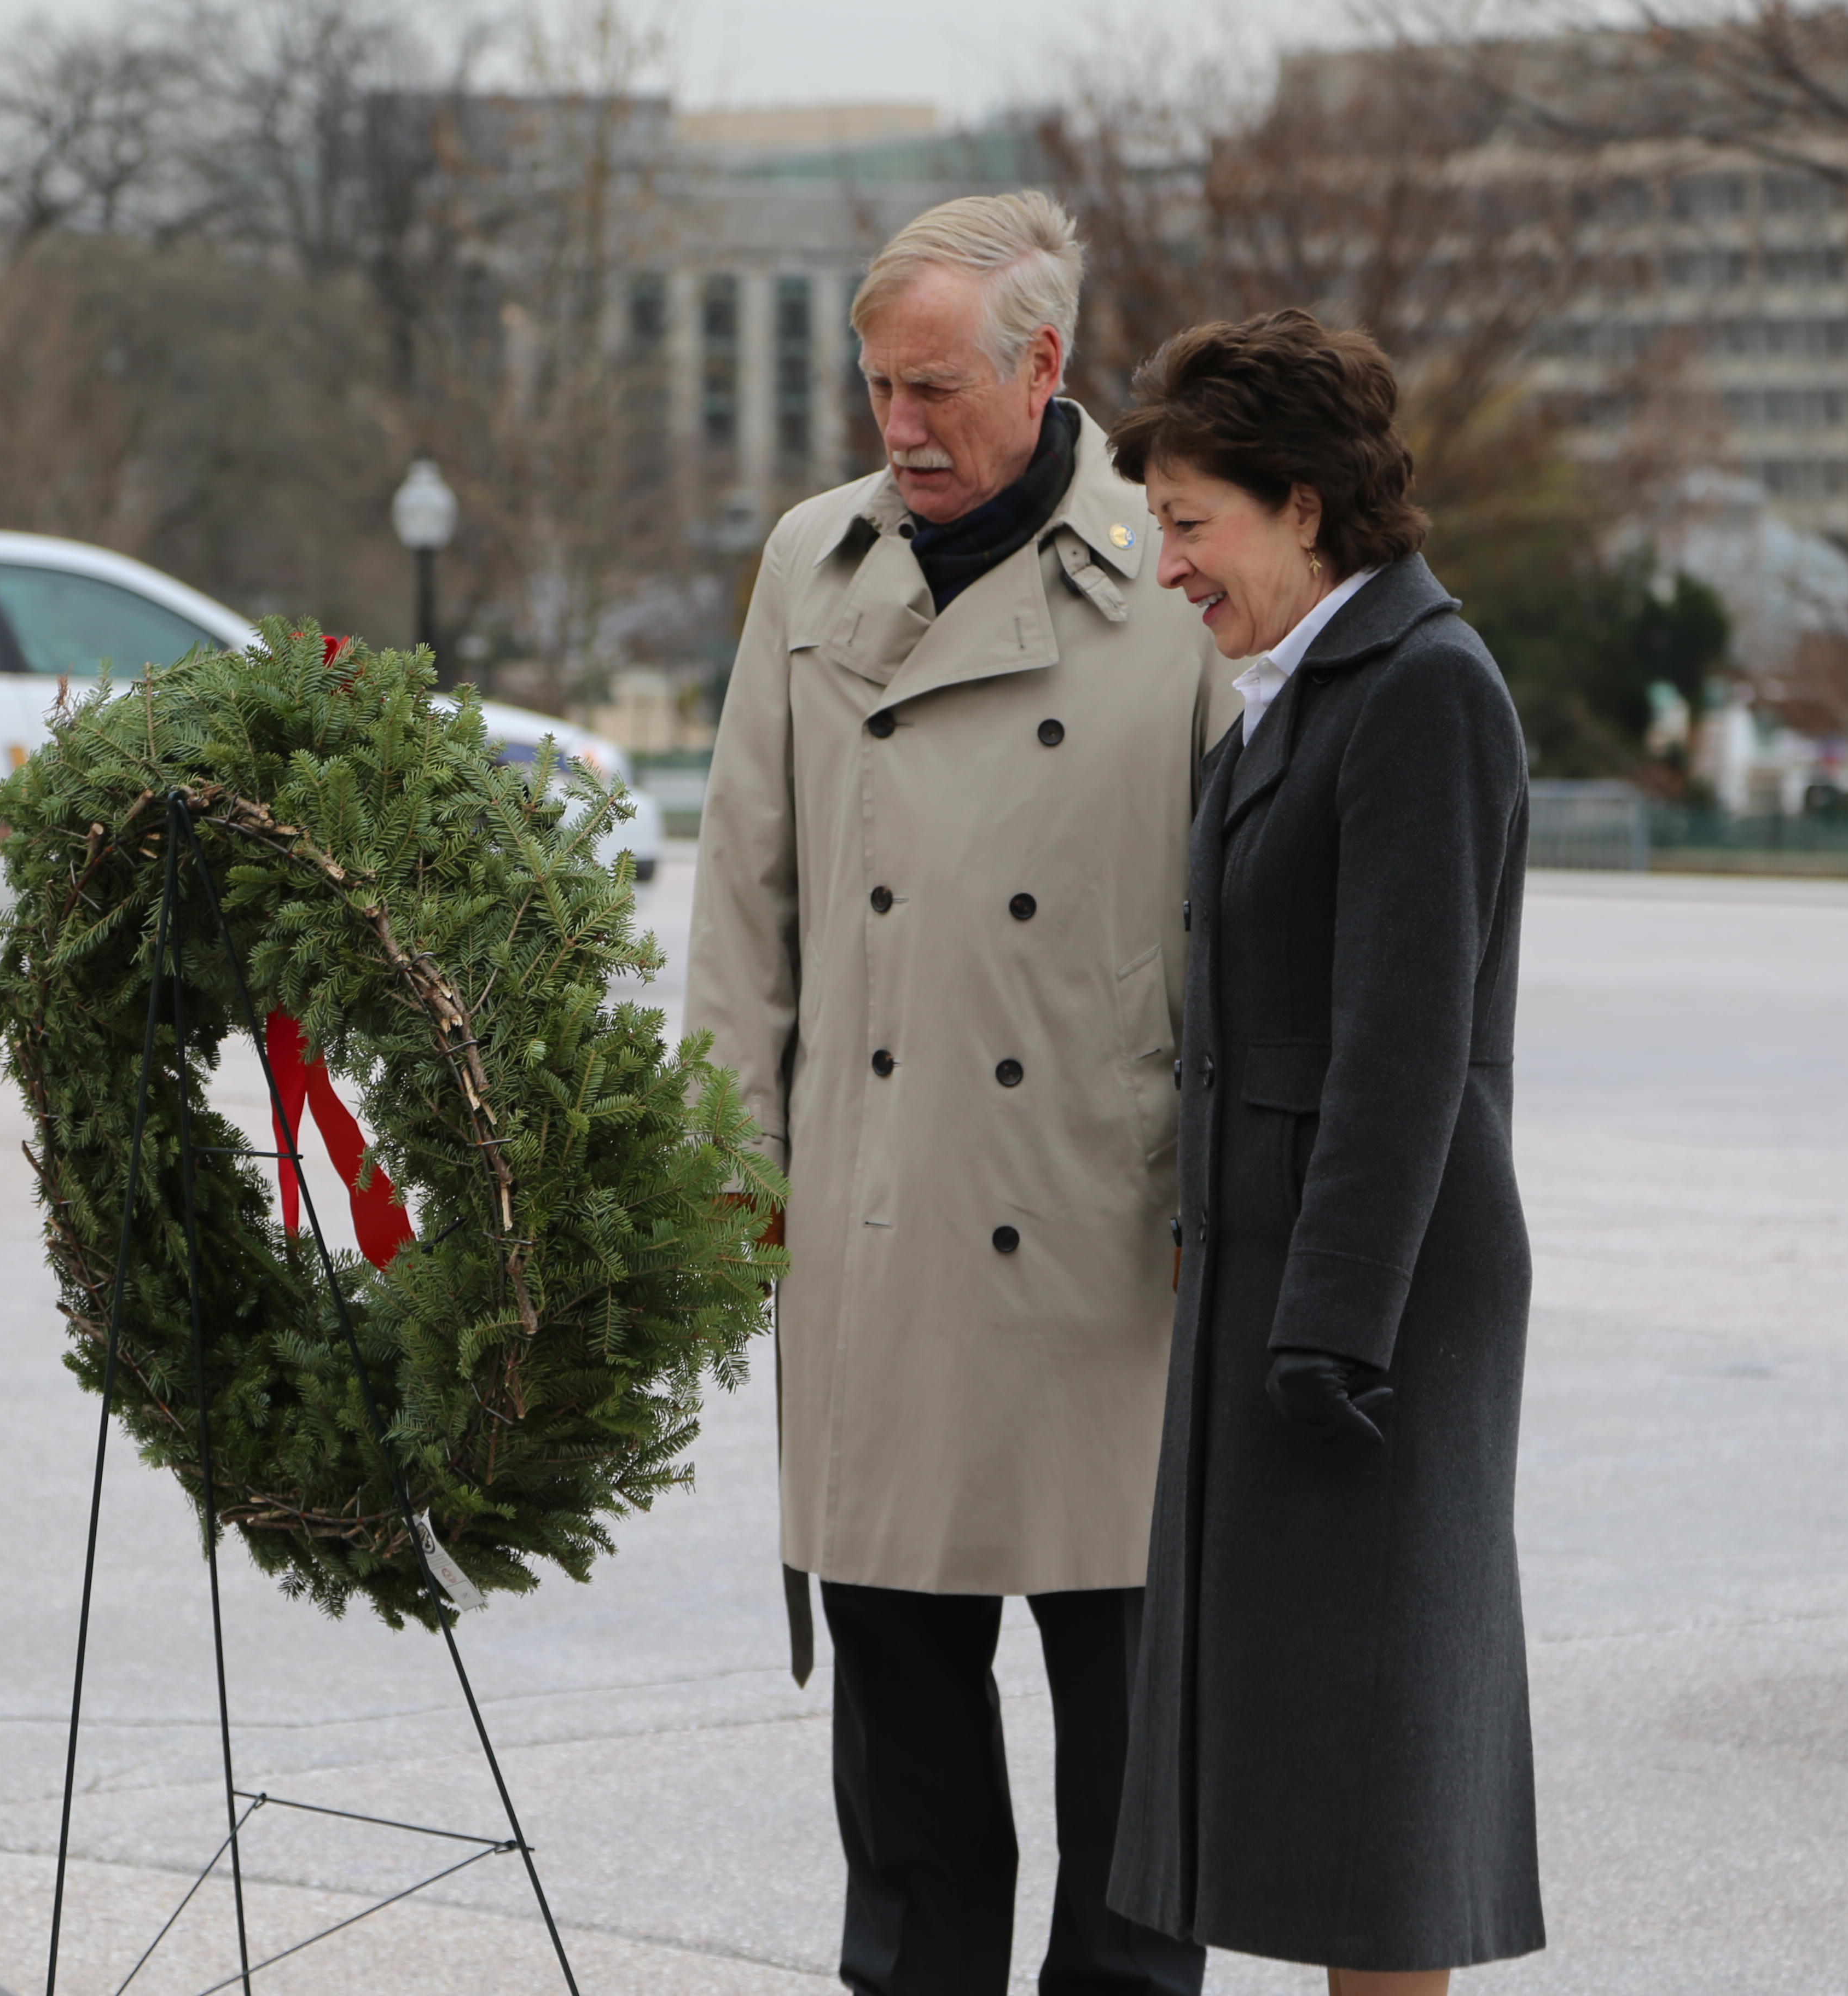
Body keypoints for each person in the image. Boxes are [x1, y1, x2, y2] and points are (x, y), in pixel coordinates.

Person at [687, 190, 1229, 1994]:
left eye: (932, 392)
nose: (898, 431)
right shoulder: (807, 563)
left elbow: (1246, 930)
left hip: (1106, 1235)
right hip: (879, 1223)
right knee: (908, 1777)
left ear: (1045, 366)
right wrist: (726, 1175)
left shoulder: (1181, 570)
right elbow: (741, 908)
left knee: (1136, 1751)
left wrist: (1223, 1200)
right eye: (876, 392)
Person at [1102, 311, 1545, 1994]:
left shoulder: (1422, 688)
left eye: (1193, 524)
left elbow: (1409, 1042)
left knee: (1377, 1805)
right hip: (1283, 1290)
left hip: (1370, 1314)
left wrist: (1334, 1321)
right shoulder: (1301, 690)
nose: (1167, 569)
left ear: (1307, 506)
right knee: (1303, 1777)